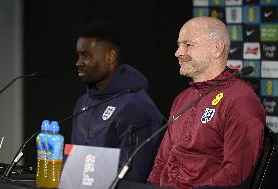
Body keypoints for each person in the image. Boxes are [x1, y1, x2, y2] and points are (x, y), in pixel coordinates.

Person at [148, 17, 265, 189]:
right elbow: (161, 162)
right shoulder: (183, 98)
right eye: (179, 45)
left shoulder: (240, 100)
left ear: (217, 49)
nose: (178, 52)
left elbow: (235, 175)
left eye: (188, 45)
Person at [71, 21, 163, 183]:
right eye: (78, 55)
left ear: (110, 56)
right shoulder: (82, 102)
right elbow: (75, 167)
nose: (78, 63)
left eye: (85, 55)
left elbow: (133, 177)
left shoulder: (136, 106)